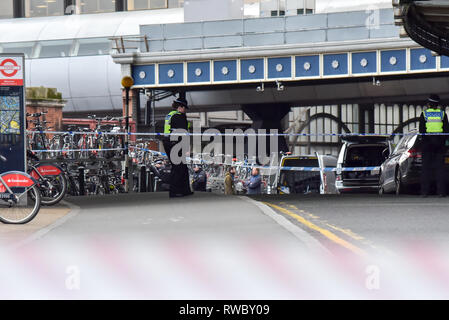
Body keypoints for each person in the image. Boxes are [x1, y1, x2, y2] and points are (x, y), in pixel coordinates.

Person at [419, 94, 449, 197]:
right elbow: (446, 131)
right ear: (437, 104)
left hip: (427, 144)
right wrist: (441, 141)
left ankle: (424, 192)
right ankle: (441, 192)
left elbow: (422, 131)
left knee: (426, 169)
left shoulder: (424, 114)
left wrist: (428, 140)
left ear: (429, 104)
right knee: (440, 169)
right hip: (439, 145)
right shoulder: (443, 114)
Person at [162, 97, 193, 198]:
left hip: (169, 142)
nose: (185, 110)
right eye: (185, 108)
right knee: (178, 168)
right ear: (180, 107)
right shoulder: (179, 116)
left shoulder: (170, 115)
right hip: (174, 144)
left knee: (182, 167)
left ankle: (185, 190)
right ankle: (174, 191)